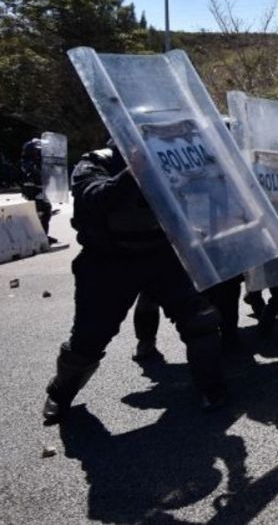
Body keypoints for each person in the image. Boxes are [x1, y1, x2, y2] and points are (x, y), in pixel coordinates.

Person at [43, 145, 226, 424]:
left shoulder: (172, 157)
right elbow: (92, 198)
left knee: (200, 321)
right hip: (109, 263)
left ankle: (211, 387)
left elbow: (195, 199)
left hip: (163, 256)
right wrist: (134, 172)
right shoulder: (96, 161)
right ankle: (60, 393)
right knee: (89, 338)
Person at [19, 138, 57, 244]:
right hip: (33, 190)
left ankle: (43, 235)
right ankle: (38, 237)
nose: (40, 152)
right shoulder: (28, 163)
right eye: (38, 150)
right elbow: (34, 174)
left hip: (40, 189)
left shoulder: (37, 161)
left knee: (46, 210)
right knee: (40, 211)